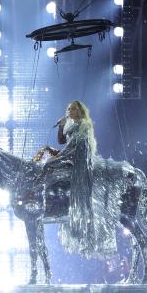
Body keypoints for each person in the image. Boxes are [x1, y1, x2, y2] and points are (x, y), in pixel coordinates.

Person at [33, 100, 117, 258]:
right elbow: (63, 141)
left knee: (48, 165)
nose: (70, 111)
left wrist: (58, 157)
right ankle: (50, 198)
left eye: (73, 109)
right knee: (46, 155)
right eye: (68, 109)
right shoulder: (71, 124)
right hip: (70, 154)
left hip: (77, 159)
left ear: (80, 110)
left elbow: (74, 147)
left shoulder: (83, 124)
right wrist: (61, 125)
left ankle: (40, 192)